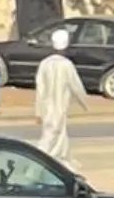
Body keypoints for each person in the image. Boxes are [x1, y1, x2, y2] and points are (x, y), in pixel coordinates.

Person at [35, 28, 89, 167]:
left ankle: (63, 157)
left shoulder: (44, 63)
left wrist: (38, 110)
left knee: (59, 132)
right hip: (58, 105)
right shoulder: (66, 64)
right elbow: (76, 85)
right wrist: (84, 102)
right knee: (52, 133)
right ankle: (37, 158)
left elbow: (39, 88)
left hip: (46, 105)